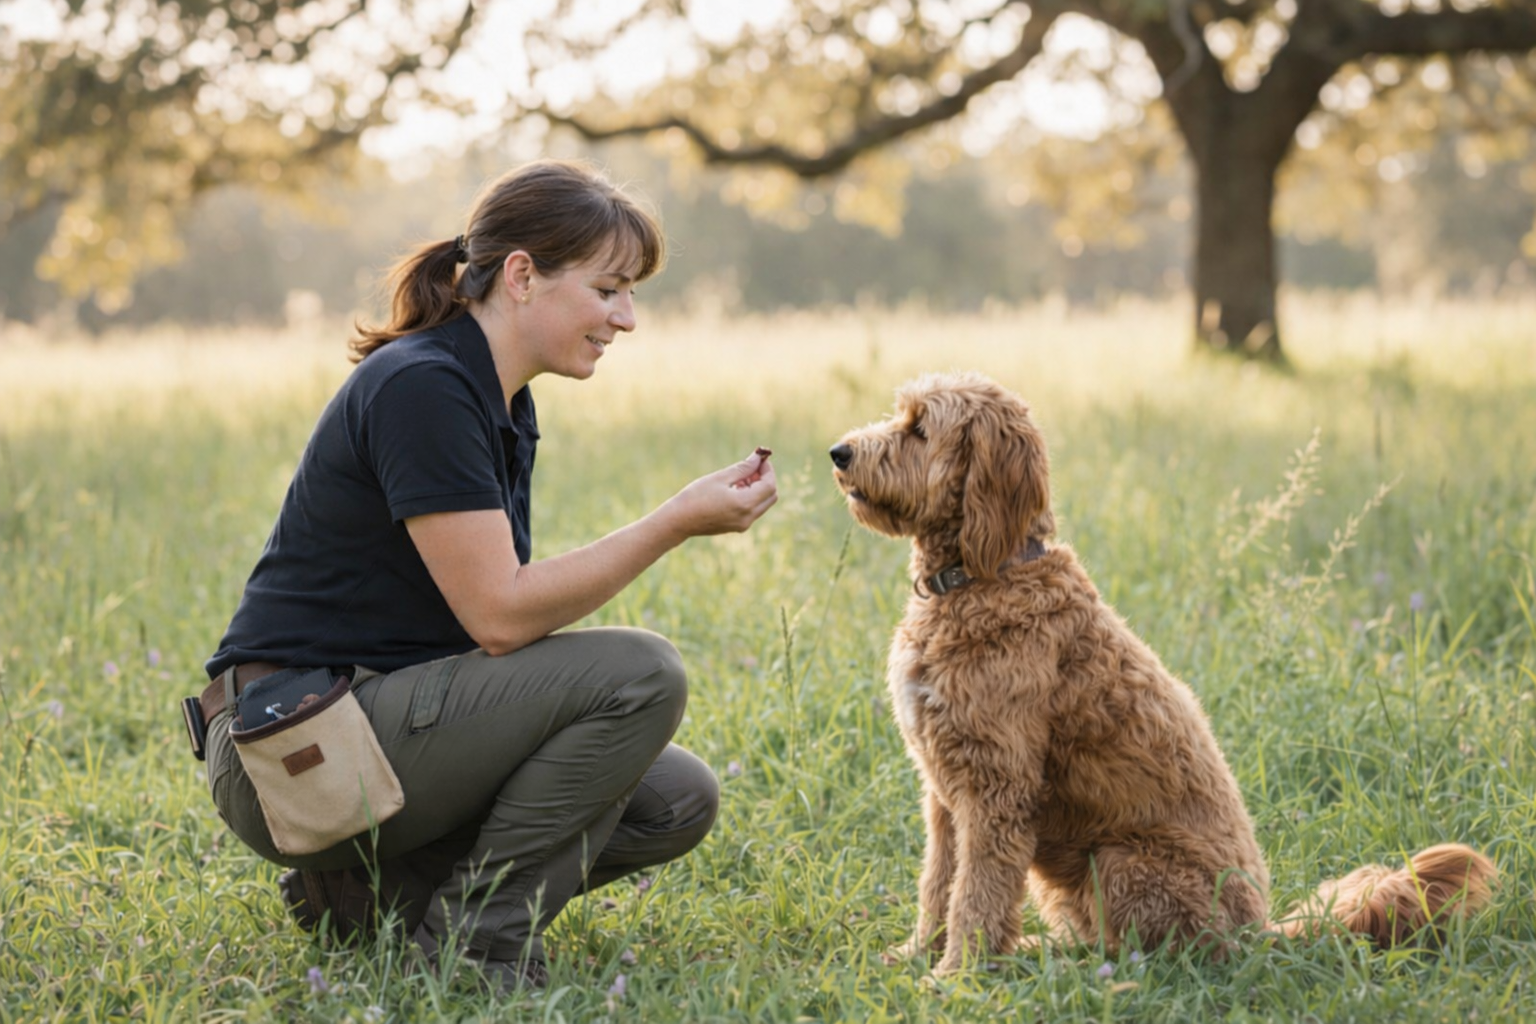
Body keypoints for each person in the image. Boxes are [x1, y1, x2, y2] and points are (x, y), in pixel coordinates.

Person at [199, 159, 778, 990]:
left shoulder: (495, 400)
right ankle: (475, 947)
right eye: (610, 288)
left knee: (674, 797)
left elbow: (490, 628)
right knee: (643, 674)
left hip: (369, 727)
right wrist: (672, 523)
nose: (627, 317)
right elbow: (501, 619)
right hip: (297, 751)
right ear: (521, 275)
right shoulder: (422, 387)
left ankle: (368, 895)